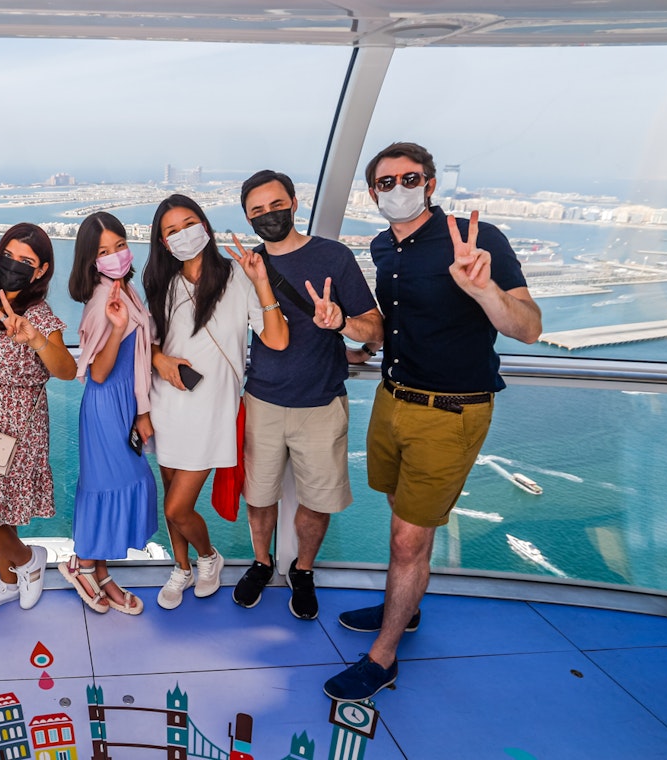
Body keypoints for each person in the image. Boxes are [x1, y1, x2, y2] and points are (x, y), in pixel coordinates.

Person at [324, 142, 542, 701]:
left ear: (432, 183)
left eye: (410, 178)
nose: (399, 189)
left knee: (407, 539)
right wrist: (351, 335)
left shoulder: (478, 241)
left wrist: (483, 289)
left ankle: (383, 657)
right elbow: (388, 327)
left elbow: (529, 327)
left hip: (451, 411)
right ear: (373, 193)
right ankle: (407, 605)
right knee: (401, 517)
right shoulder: (381, 247)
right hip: (394, 400)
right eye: (387, 182)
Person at [231, 170, 383, 620]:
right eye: (257, 211)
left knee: (318, 500)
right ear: (247, 218)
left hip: (320, 402)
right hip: (262, 400)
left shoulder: (332, 257)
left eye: (276, 205)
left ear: (294, 203)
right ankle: (262, 562)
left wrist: (342, 325)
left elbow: (373, 326)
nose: (268, 216)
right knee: (259, 496)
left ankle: (303, 569)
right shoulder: (249, 267)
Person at [143, 194, 289, 610]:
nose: (183, 234)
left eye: (189, 223)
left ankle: (209, 557)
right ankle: (181, 568)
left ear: (204, 226)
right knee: (171, 492)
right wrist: (159, 359)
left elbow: (277, 339)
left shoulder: (237, 277)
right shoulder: (162, 283)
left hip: (212, 410)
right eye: (171, 231)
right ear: (162, 241)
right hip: (167, 402)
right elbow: (150, 342)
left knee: (177, 507)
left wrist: (261, 282)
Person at [0, 223, 77, 615]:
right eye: (9, 256)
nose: (14, 265)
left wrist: (36, 340)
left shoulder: (38, 315)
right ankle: (9, 580)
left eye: (27, 261)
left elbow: (67, 370)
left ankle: (28, 561)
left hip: (13, 428)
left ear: (40, 271)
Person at [61, 212, 158, 615]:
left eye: (119, 245)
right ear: (90, 260)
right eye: (104, 251)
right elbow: (98, 372)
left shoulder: (125, 289)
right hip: (106, 406)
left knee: (113, 484)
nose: (116, 255)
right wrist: (117, 330)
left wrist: (140, 411)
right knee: (112, 485)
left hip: (123, 402)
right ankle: (82, 563)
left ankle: (98, 570)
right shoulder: (104, 301)